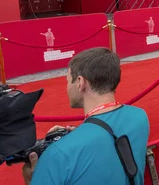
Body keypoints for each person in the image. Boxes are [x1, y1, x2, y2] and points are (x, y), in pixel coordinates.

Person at [22, 48, 149, 185]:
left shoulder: (57, 154)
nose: (67, 87)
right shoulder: (140, 117)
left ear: (80, 82)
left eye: (68, 80)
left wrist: (33, 177)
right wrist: (79, 136)